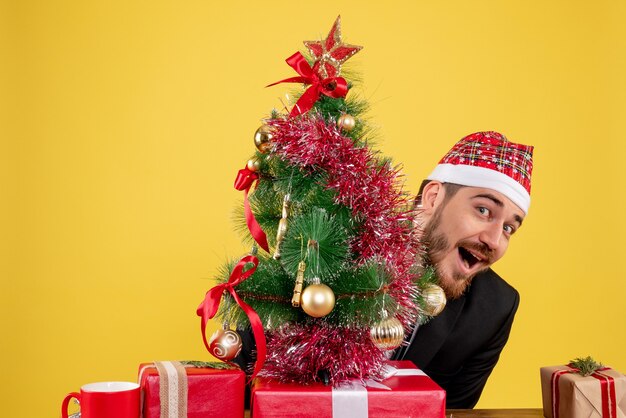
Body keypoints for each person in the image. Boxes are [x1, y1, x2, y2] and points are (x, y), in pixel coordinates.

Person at [391, 131, 534, 409]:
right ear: (433, 198)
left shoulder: (494, 308)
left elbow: (455, 412)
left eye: (508, 228)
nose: (493, 240)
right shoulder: (334, 248)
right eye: (483, 210)